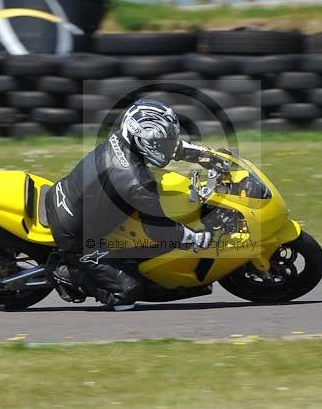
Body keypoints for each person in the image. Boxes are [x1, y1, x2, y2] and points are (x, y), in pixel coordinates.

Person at [44, 99, 221, 311]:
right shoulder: (136, 182)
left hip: (70, 198)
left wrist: (204, 155)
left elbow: (167, 147)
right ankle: (65, 273)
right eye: (162, 142)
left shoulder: (122, 140)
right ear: (141, 138)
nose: (167, 147)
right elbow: (157, 230)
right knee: (128, 291)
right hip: (75, 236)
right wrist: (194, 237)